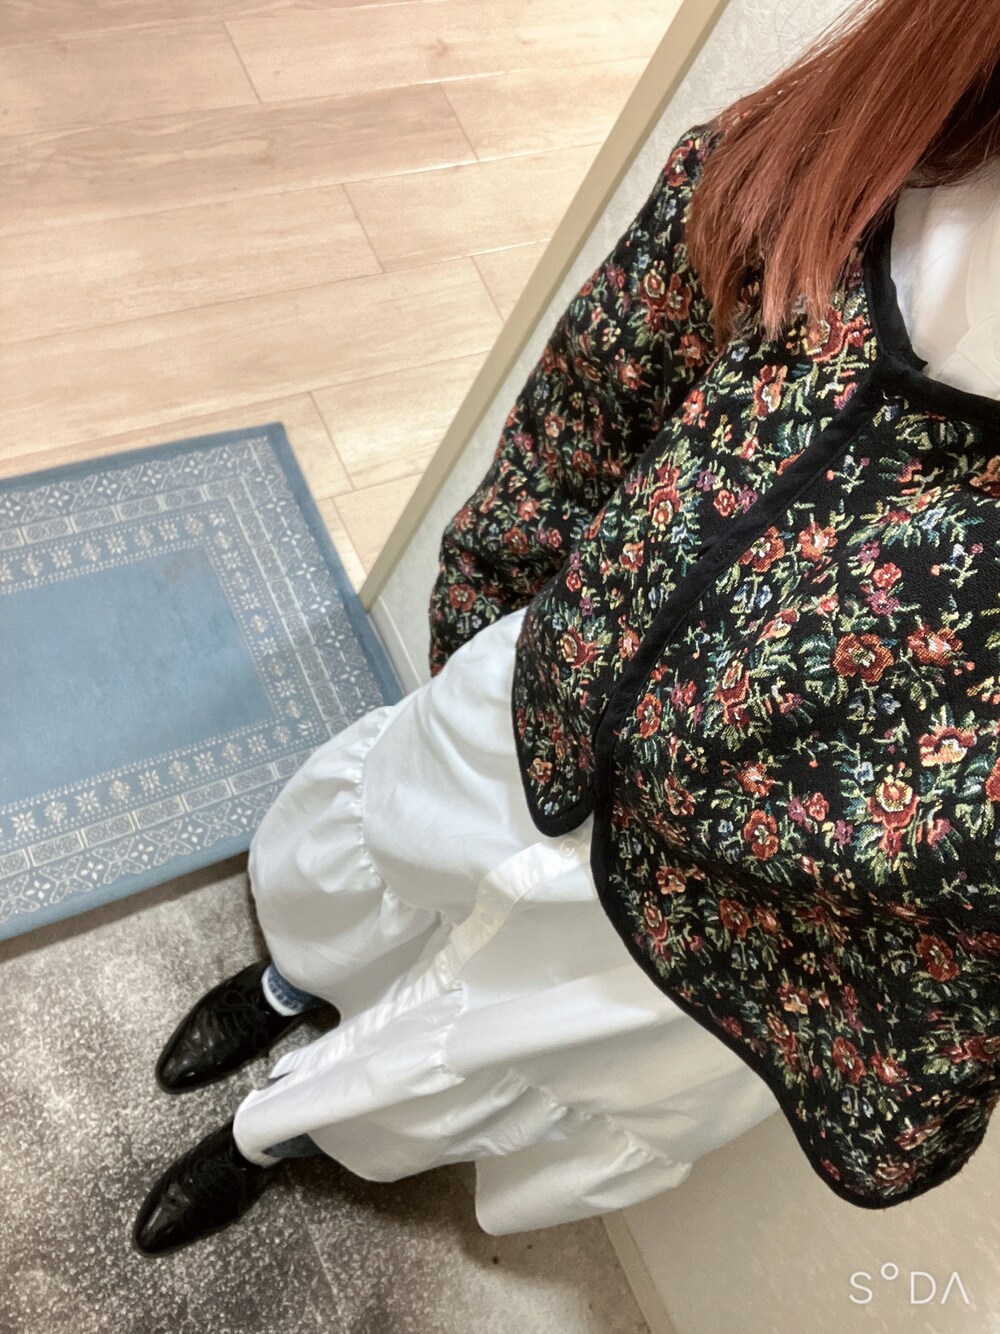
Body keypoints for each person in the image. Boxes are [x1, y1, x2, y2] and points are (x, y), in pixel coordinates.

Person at [133, 0, 1000, 1257]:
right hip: (551, 687)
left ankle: (275, 1133)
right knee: (390, 848)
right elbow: (598, 392)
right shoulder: (866, 148)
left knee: (483, 1043)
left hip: (742, 928)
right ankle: (290, 982)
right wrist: (493, 600)